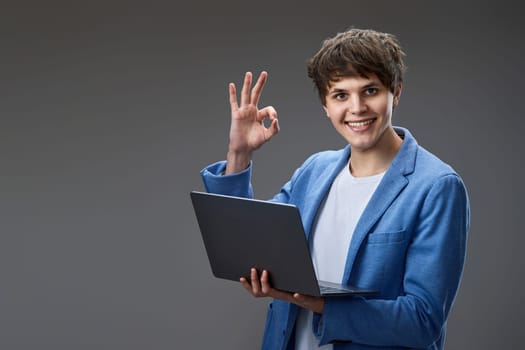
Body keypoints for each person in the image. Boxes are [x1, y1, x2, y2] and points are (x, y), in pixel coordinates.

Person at [199, 28, 470, 350]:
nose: (356, 108)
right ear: (326, 106)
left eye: (370, 91)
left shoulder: (436, 187)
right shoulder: (315, 171)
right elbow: (244, 246)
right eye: (341, 95)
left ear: (395, 92)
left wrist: (322, 304)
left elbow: (423, 321)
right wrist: (239, 153)